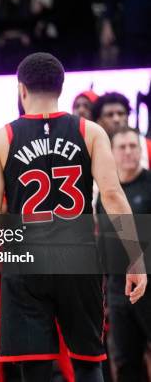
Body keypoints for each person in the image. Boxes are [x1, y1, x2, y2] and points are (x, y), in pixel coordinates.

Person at [0, 53, 147, 382]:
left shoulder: (2, 138)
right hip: (79, 260)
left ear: (21, 89)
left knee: (35, 367)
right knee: (87, 363)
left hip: (25, 264)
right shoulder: (90, 131)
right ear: (62, 88)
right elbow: (112, 196)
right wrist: (135, 257)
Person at [96, 126, 151, 382]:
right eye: (122, 147)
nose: (128, 152)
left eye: (133, 146)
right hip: (119, 293)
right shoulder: (106, 194)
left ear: (141, 150)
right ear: (112, 153)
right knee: (126, 363)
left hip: (149, 286)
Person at [92, 92, 151, 169]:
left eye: (121, 113)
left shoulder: (147, 147)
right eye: (110, 115)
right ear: (99, 121)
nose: (116, 119)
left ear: (128, 117)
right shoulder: (91, 151)